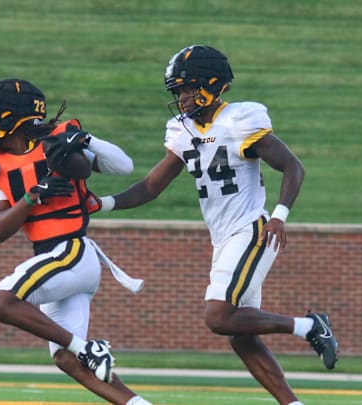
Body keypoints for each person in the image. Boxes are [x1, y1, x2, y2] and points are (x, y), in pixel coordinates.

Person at [96, 45, 339, 405]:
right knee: (240, 332)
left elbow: (293, 167)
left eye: (186, 89)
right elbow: (151, 186)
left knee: (218, 315)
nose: (181, 98)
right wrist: (102, 203)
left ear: (211, 85)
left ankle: (309, 326)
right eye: (177, 91)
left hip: (252, 229)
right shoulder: (183, 130)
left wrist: (279, 216)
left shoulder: (239, 120)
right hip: (224, 237)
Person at [0, 78, 150, 405]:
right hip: (57, 262)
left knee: (2, 302)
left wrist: (85, 140)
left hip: (71, 251)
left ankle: (90, 349)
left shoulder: (57, 142)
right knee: (67, 358)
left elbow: (124, 166)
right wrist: (30, 198)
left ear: (12, 118)